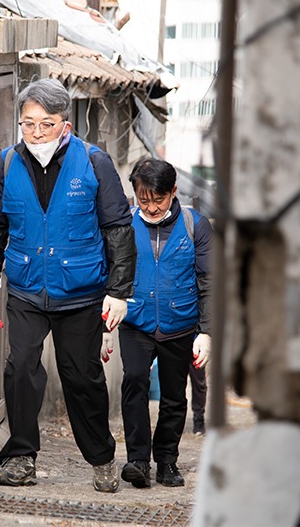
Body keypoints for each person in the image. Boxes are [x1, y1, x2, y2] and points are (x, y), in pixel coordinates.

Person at [0, 78, 137, 493]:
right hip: (27, 287)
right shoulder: (5, 163)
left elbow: (118, 229)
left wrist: (118, 292)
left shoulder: (94, 163)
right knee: (21, 367)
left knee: (81, 378)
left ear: (65, 123)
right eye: (28, 124)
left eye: (46, 124)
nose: (36, 133)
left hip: (81, 292)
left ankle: (101, 457)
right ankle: (20, 457)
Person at [117, 157, 212, 489]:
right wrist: (103, 327)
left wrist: (206, 332)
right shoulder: (124, 224)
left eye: (158, 199)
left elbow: (209, 282)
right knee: (134, 381)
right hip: (136, 321)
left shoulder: (195, 226)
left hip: (180, 324)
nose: (151, 207)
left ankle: (166, 461)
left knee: (174, 395)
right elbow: (111, 275)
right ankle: (138, 460)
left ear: (173, 191)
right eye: (144, 200)